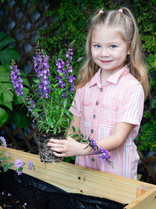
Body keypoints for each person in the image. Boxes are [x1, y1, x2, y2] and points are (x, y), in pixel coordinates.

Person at [47, 7, 149, 180]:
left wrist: (80, 149)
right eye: (97, 46)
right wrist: (65, 146)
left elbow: (117, 139)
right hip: (84, 173)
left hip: (117, 176)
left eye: (113, 46)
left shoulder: (132, 88)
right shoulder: (84, 84)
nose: (104, 53)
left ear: (129, 48)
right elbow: (74, 127)